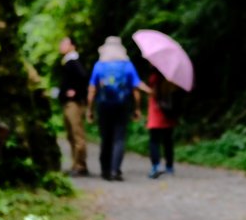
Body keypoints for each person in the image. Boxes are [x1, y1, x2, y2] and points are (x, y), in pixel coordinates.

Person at [86, 36, 148, 181]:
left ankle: (105, 170)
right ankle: (115, 170)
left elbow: (92, 90)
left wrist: (89, 109)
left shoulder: (99, 65)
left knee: (105, 138)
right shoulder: (127, 65)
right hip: (122, 106)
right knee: (119, 139)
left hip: (103, 106)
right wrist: (137, 109)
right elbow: (136, 90)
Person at [57, 36, 89, 176]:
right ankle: (76, 163)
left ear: (72, 46)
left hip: (74, 104)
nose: (61, 45)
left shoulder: (73, 61)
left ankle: (80, 165)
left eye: (64, 43)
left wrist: (75, 91)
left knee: (77, 134)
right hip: (68, 103)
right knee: (71, 135)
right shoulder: (67, 61)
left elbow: (83, 77)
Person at [145, 67, 179, 178]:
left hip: (156, 112)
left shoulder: (155, 77)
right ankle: (169, 166)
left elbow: (154, 93)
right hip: (169, 112)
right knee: (168, 140)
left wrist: (146, 89)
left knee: (154, 140)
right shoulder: (171, 77)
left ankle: (156, 165)